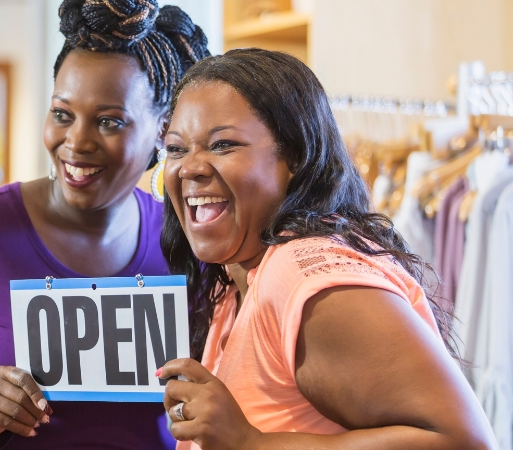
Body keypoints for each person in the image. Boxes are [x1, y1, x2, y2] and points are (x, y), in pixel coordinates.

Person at [0, 1, 210, 449]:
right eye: (62, 114)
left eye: (109, 121)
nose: (76, 142)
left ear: (162, 129)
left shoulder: (188, 241)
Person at [155, 49, 496, 450]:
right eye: (177, 149)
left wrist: (250, 442)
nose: (190, 167)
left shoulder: (300, 272)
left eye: (223, 144)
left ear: (296, 157)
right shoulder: (240, 273)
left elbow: (464, 442)